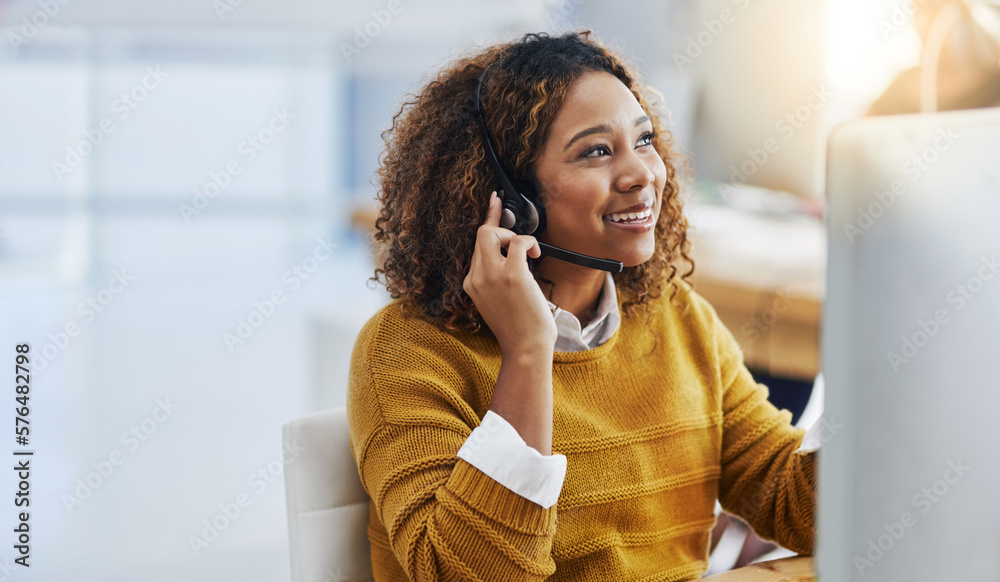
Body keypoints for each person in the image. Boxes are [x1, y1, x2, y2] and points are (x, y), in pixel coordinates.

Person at [347, 31, 815, 581]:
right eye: (596, 151)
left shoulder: (674, 314)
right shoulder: (407, 351)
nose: (642, 174)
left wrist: (882, 381)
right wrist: (527, 352)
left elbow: (793, 503)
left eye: (644, 141)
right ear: (508, 198)